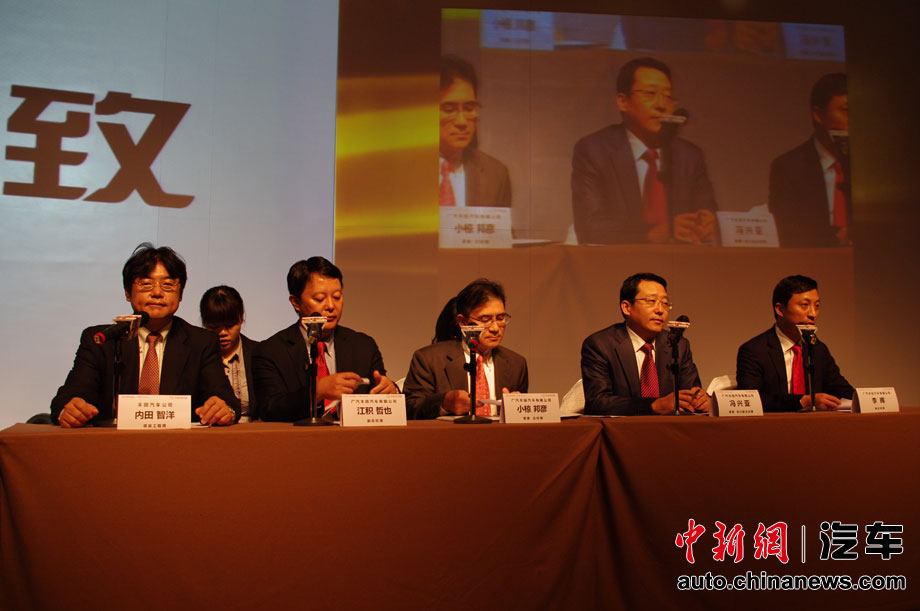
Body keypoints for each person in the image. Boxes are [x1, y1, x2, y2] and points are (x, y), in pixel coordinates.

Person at [50, 244, 239, 427]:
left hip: (177, 444)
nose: (157, 293)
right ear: (127, 292)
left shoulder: (201, 342)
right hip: (114, 444)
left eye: (167, 285)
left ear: (180, 294)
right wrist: (71, 409)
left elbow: (227, 401)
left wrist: (223, 409)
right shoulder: (102, 340)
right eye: (146, 284)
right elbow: (68, 397)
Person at [571, 57, 717, 245]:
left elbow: (708, 212)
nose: (661, 104)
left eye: (668, 96)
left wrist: (708, 224)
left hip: (683, 259)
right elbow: (590, 228)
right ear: (623, 102)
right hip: (621, 260)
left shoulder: (689, 156)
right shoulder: (595, 150)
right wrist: (653, 234)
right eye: (650, 93)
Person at [253, 256, 399, 422]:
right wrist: (317, 392)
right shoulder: (271, 351)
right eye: (319, 299)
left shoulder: (363, 346)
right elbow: (270, 408)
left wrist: (391, 391)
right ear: (296, 302)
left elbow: (380, 393)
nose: (331, 306)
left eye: (337, 297)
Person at [581, 272, 709, 415]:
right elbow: (597, 402)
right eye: (651, 301)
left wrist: (701, 400)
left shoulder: (678, 344)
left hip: (672, 426)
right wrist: (654, 405)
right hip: (625, 427)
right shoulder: (600, 345)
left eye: (665, 303)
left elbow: (692, 392)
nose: (660, 310)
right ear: (626, 307)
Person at [403, 279, 528, 419]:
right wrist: (444, 403)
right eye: (485, 319)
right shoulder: (429, 359)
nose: (495, 328)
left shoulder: (516, 364)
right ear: (463, 322)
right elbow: (409, 408)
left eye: (500, 318)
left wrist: (517, 407)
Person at [736, 275, 854, 411]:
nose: (813, 314)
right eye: (804, 305)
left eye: (817, 306)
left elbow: (842, 389)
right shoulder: (754, 350)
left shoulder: (817, 348)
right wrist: (801, 401)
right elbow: (750, 399)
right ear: (780, 309)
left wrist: (866, 398)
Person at [768, 73, 850, 247]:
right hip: (814, 258)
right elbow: (787, 230)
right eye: (847, 111)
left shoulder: (872, 166)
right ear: (818, 115)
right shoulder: (788, 167)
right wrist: (837, 237)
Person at [439, 55, 511, 208]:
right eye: (449, 109)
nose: (462, 122)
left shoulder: (496, 174)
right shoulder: (402, 168)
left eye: (469, 108)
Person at [200, 285, 259, 422]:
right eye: (214, 327)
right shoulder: (196, 357)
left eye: (230, 325)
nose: (223, 333)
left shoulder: (259, 353)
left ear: (241, 318)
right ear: (204, 323)